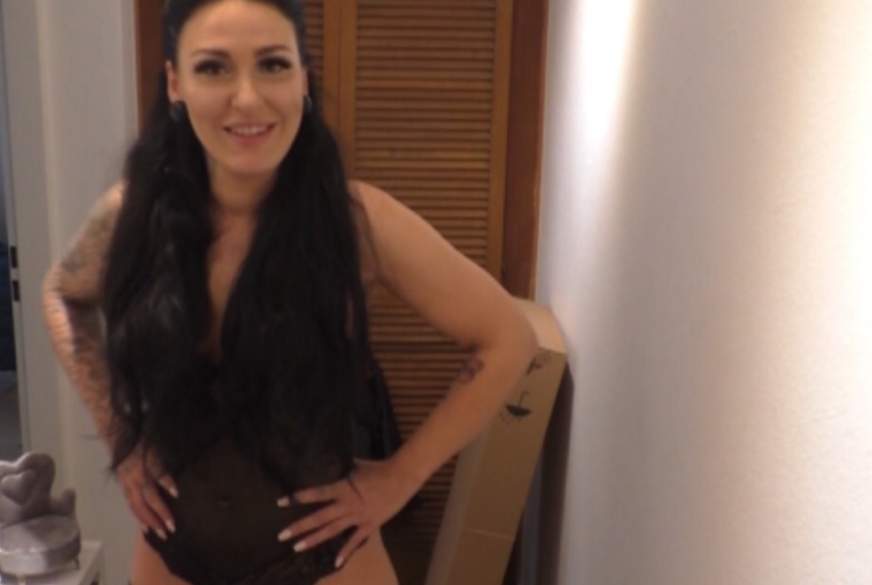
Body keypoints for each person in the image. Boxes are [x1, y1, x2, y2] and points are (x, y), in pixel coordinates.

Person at [40, 0, 538, 583]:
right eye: (213, 68)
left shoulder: (357, 223)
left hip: (329, 562)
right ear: (175, 83)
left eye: (273, 64)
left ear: (304, 77)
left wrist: (400, 478)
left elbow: (508, 341)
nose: (248, 98)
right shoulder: (133, 215)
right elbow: (62, 294)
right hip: (173, 556)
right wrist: (123, 439)